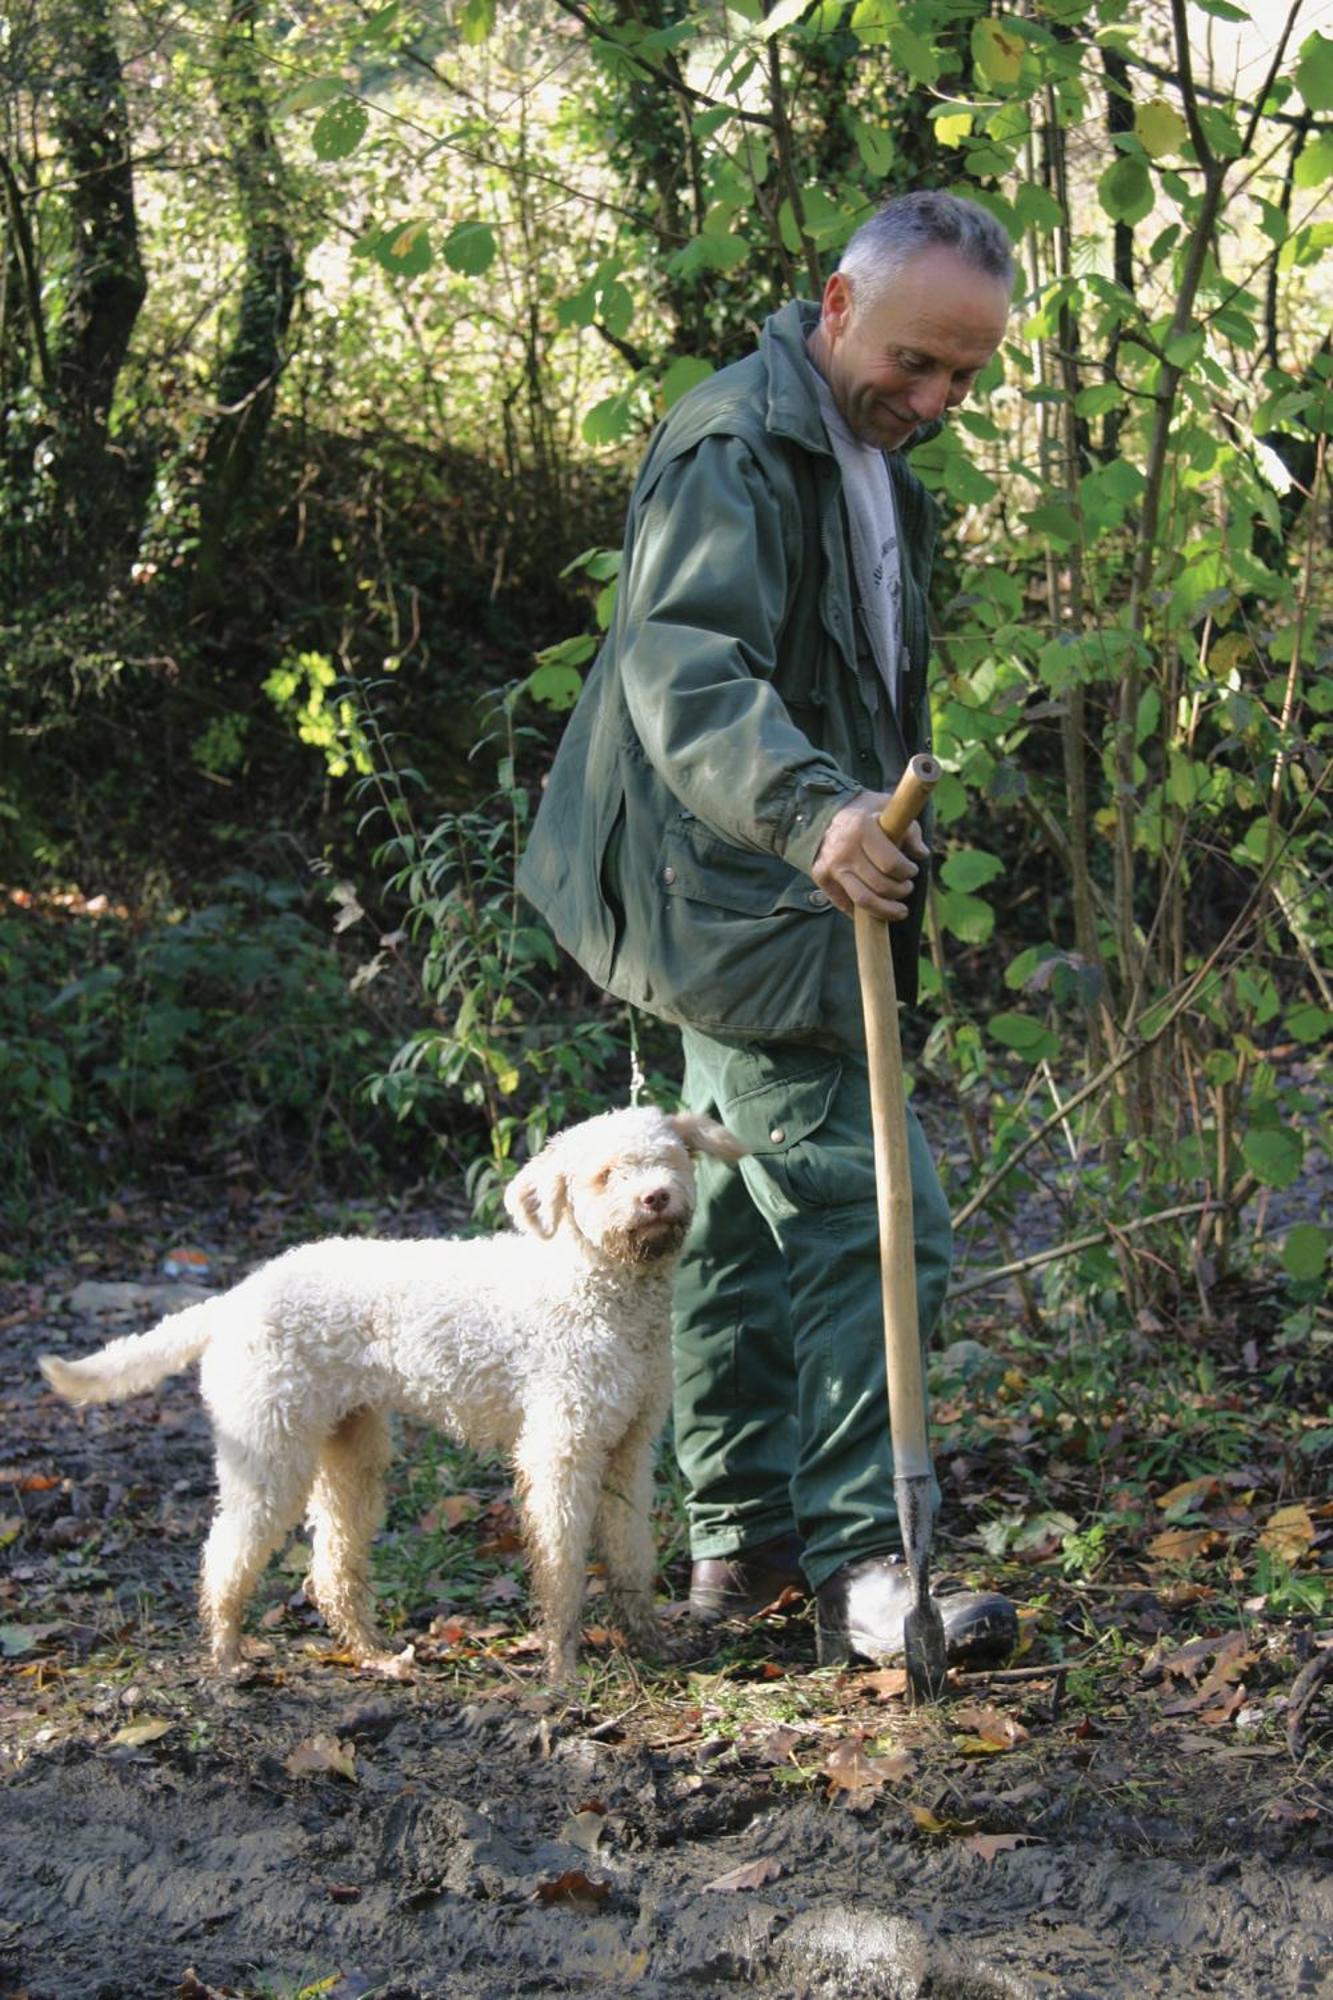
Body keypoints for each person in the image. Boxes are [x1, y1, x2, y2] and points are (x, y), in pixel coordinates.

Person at [517, 190, 1018, 1667]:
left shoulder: (873, 462)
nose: (928, 401)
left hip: (750, 882)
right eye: (914, 363)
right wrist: (815, 815)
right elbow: (683, 658)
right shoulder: (739, 440)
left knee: (726, 1218)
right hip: (732, 886)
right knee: (878, 1214)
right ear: (836, 302)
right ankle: (871, 1563)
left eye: (962, 380)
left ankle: (743, 1554)